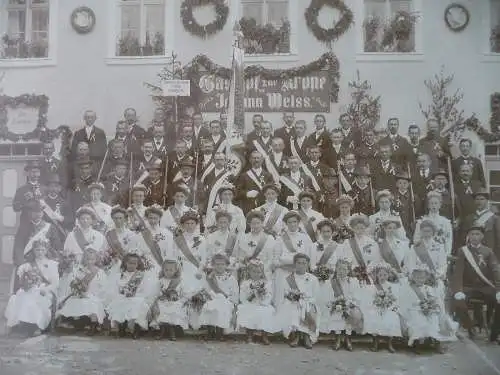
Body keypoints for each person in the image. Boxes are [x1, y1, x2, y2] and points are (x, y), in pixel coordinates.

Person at [451, 225, 500, 340]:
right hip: (469, 287)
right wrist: (458, 290)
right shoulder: (463, 251)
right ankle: (470, 327)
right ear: (468, 236)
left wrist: (499, 290)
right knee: (458, 301)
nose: (474, 237)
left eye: (477, 234)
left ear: (482, 236)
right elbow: (458, 272)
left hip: (485, 287)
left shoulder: (488, 252)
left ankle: (495, 332)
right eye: (472, 234)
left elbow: (495, 270)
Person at [5, 239, 59, 337]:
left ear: (46, 250)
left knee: (37, 300)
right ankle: (19, 323)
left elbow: (55, 283)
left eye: (42, 250)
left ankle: (38, 325)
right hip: (30, 289)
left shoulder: (52, 264)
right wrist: (26, 284)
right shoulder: (27, 265)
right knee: (19, 297)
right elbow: (22, 281)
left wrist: (46, 289)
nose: (40, 252)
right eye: (37, 250)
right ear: (33, 251)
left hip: (45, 290)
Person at [400, 267, 457, 353]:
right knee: (418, 322)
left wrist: (431, 305)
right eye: (418, 278)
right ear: (413, 278)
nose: (420, 280)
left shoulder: (428, 288)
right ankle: (418, 343)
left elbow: (433, 299)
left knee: (434, 319)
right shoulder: (410, 288)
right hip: (414, 310)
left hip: (428, 310)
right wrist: (420, 305)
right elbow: (407, 302)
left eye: (422, 278)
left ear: (426, 278)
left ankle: (437, 342)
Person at [56, 249, 108, 335]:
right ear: (84, 259)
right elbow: (75, 282)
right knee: (74, 302)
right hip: (80, 294)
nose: (90, 261)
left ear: (96, 260)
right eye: (87, 259)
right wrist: (79, 292)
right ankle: (77, 323)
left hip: (94, 295)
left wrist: (92, 294)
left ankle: (93, 325)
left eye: (92, 259)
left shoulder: (100, 272)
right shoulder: (79, 270)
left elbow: (104, 288)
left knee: (92, 303)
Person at [275, 253, 320, 349]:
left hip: (308, 302)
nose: (301, 265)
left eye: (304, 263)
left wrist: (305, 301)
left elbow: (316, 296)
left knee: (306, 308)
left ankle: (306, 336)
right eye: (299, 263)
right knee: (294, 309)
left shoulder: (313, 279)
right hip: (293, 302)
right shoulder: (288, 279)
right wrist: (293, 297)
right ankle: (297, 335)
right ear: (295, 264)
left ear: (307, 264)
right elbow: (285, 294)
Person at [322, 259, 363, 351]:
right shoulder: (331, 282)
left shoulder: (353, 282)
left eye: (344, 269)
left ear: (348, 271)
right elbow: (328, 296)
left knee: (351, 313)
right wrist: (335, 303)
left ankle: (348, 338)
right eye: (339, 269)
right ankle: (338, 338)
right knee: (337, 314)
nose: (342, 271)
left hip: (349, 306)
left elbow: (356, 296)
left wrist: (348, 304)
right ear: (336, 269)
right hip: (337, 306)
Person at [106, 253, 150, 339]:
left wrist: (134, 295)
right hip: (122, 297)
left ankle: (136, 329)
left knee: (137, 304)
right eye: (130, 263)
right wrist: (123, 294)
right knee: (119, 303)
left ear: (138, 265)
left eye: (134, 263)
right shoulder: (120, 276)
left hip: (136, 297)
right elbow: (115, 289)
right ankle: (121, 327)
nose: (132, 265)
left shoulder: (141, 276)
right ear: (125, 263)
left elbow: (144, 290)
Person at [274, 211, 314, 304]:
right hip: (283, 272)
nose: (292, 224)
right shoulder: (280, 238)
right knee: (283, 300)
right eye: (289, 222)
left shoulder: (305, 238)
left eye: (294, 222)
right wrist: (284, 263)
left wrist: (289, 261)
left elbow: (309, 257)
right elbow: (275, 259)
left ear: (298, 222)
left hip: (300, 273)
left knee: (300, 299)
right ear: (286, 223)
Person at [362, 263, 402, 353]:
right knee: (373, 316)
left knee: (392, 317)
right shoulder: (373, 287)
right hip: (376, 307)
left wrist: (389, 306)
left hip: (388, 308)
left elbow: (395, 300)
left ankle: (389, 343)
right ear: (376, 275)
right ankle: (375, 341)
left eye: (385, 275)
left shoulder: (391, 286)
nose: (382, 277)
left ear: (388, 275)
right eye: (380, 275)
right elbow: (370, 300)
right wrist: (378, 304)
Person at [199, 254, 239, 341]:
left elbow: (235, 293)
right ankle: (210, 331)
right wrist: (210, 296)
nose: (219, 266)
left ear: (226, 265)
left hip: (227, 300)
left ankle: (220, 332)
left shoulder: (231, 278)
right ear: (213, 265)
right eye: (217, 264)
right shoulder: (210, 277)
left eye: (222, 264)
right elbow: (206, 290)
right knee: (209, 306)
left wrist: (231, 301)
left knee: (222, 306)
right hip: (213, 299)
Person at [237, 259, 277, 345]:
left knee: (267, 311)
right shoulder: (245, 283)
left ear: (262, 273)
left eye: (258, 272)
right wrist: (252, 295)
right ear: (249, 272)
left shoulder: (266, 283)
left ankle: (264, 335)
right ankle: (250, 335)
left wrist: (262, 295)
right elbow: (242, 298)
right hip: (250, 303)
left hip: (262, 304)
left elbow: (269, 295)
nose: (256, 274)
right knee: (249, 310)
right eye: (254, 272)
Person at [404, 219, 447, 298]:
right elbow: (410, 264)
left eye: (429, 231)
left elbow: (443, 266)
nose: (426, 233)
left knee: (438, 289)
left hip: (433, 278)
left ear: (433, 232)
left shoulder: (439, 247)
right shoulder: (415, 247)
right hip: (417, 279)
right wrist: (418, 277)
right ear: (420, 232)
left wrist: (434, 276)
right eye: (424, 231)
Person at [151, 259, 190, 341]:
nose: (168, 272)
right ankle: (162, 331)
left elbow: (185, 294)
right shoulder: (160, 281)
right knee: (161, 307)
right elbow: (156, 292)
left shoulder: (179, 281)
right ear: (163, 270)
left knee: (175, 307)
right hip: (163, 301)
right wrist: (160, 297)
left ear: (176, 270)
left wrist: (179, 300)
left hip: (175, 301)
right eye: (166, 270)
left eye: (171, 270)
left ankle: (172, 331)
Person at [62, 206, 107, 273]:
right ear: (79, 220)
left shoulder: (99, 236)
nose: (85, 221)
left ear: (92, 220)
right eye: (82, 218)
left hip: (94, 270)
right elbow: (66, 254)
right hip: (77, 268)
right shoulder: (72, 235)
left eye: (88, 218)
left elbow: (103, 253)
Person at [169, 211, 207, 289]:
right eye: (187, 223)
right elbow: (174, 255)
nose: (190, 226)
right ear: (183, 225)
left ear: (196, 224)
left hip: (196, 268)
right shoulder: (178, 239)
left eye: (192, 223)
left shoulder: (202, 239)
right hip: (182, 268)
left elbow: (204, 257)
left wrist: (200, 271)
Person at [235, 210, 276, 279]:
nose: (256, 226)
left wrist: (261, 268)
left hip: (264, 273)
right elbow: (240, 257)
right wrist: (246, 264)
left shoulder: (269, 238)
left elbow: (271, 258)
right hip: (247, 273)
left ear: (262, 223)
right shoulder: (244, 238)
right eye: (253, 223)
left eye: (258, 223)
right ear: (249, 224)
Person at [414, 191, 453, 257]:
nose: (434, 205)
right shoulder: (421, 221)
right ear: (428, 205)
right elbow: (416, 239)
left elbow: (448, 240)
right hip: (425, 254)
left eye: (436, 203)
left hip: (441, 254)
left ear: (440, 205)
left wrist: (447, 254)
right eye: (431, 203)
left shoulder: (446, 222)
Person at [203, 211, 239, 276]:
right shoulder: (211, 236)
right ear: (217, 223)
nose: (223, 225)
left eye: (225, 222)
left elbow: (235, 255)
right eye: (220, 222)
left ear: (229, 223)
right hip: (213, 268)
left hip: (229, 268)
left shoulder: (234, 237)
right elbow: (207, 253)